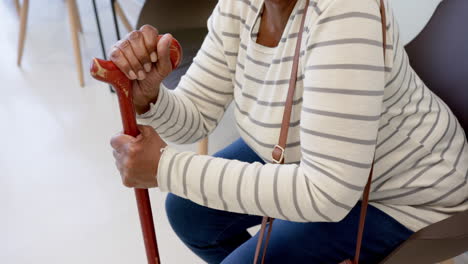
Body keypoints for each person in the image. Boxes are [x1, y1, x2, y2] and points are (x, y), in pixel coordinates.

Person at [108, 0, 468, 263]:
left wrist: (165, 168)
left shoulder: (348, 14)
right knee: (188, 212)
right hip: (318, 162)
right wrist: (152, 96)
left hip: (407, 191)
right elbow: (195, 118)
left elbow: (325, 192)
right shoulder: (242, 5)